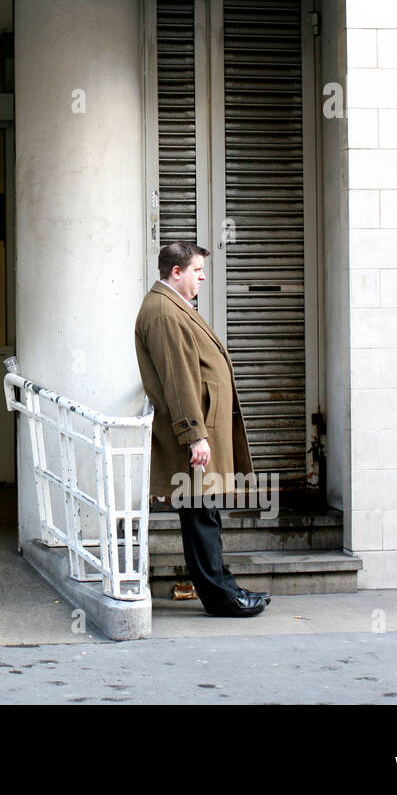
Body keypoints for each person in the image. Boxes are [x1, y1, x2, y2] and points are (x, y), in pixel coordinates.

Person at [134, 241, 270, 618]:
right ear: (176, 272)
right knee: (200, 517)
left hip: (199, 430)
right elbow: (178, 379)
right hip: (193, 435)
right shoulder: (163, 311)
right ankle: (222, 599)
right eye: (197, 270)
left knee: (204, 515)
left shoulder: (171, 306)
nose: (203, 276)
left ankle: (225, 589)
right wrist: (194, 434)